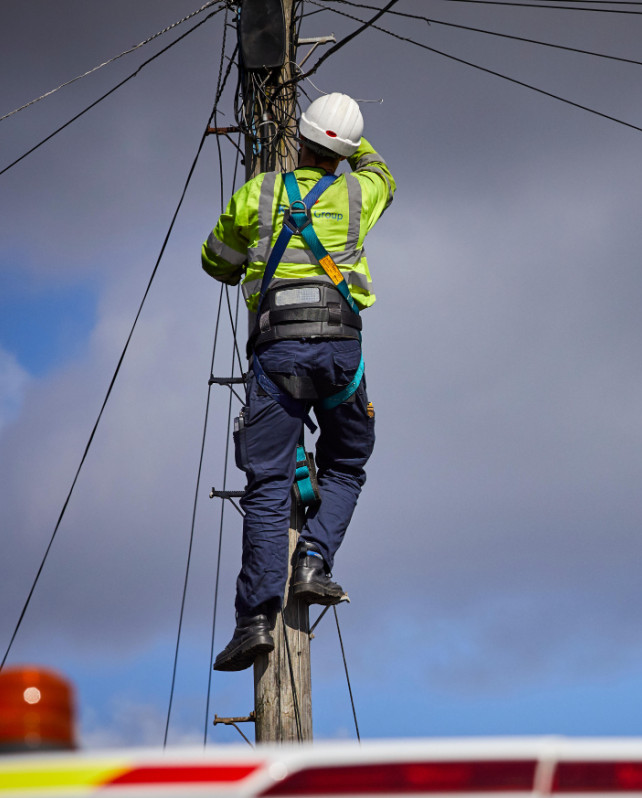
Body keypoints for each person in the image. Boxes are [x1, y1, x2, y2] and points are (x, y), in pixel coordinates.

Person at [200, 93, 395, 672]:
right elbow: (380, 169)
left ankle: (256, 621)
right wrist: (352, 144)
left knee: (267, 483)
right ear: (344, 151)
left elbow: (215, 260)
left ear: (301, 139)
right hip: (339, 350)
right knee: (346, 463)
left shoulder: (256, 194)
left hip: (277, 350)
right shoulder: (360, 192)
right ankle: (313, 561)